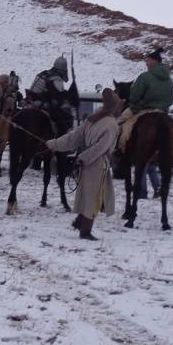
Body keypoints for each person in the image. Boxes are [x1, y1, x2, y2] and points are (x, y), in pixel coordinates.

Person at [45, 88, 122, 240]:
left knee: (88, 194)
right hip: (97, 162)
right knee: (94, 197)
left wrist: (54, 144)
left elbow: (73, 138)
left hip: (86, 161)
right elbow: (100, 148)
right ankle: (85, 231)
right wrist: (82, 158)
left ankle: (80, 221)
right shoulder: (112, 124)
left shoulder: (92, 119)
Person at [117, 48, 173, 150]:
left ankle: (119, 149)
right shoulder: (170, 81)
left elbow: (135, 96)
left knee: (119, 123)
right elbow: (172, 97)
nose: (146, 63)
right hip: (163, 111)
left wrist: (135, 102)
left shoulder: (145, 77)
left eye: (148, 61)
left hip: (142, 109)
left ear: (155, 61)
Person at [28, 56, 74, 136]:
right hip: (42, 104)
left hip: (30, 100)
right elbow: (59, 95)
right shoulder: (56, 78)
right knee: (67, 117)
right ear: (63, 69)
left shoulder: (43, 73)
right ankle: (60, 141)